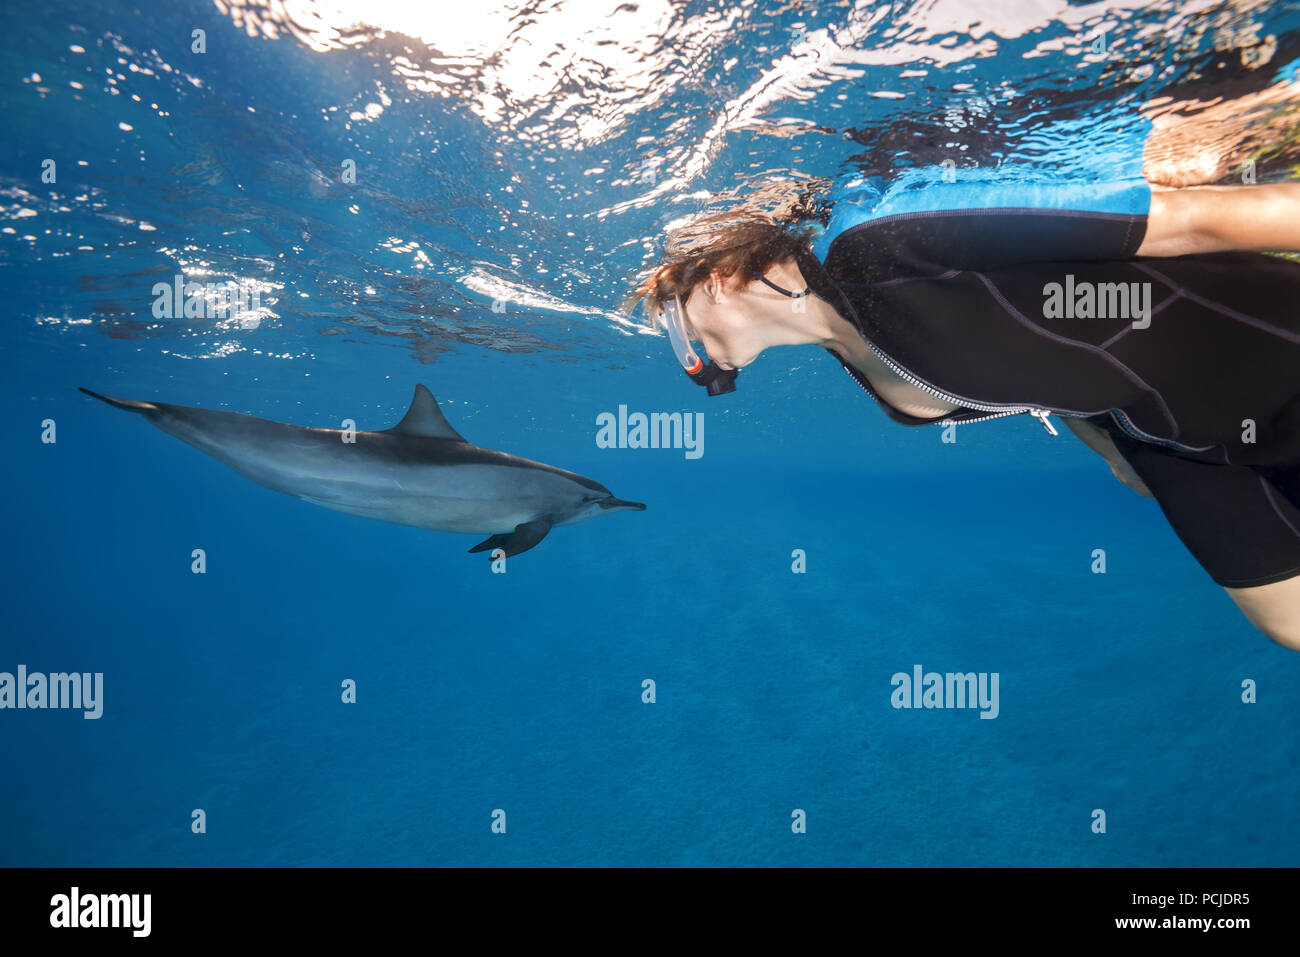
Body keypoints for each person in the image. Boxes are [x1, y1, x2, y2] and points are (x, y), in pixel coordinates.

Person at [627, 176, 1300, 650]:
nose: (685, 355)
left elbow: (1194, 219)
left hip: (1253, 350)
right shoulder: (851, 353)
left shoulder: (883, 243)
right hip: (1170, 443)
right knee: (1287, 623)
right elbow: (1037, 368)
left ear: (714, 277)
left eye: (673, 326)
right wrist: (1106, 446)